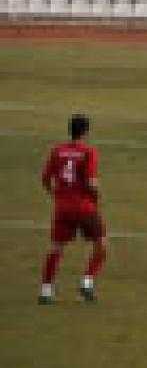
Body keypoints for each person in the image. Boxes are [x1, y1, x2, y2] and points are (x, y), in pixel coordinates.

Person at [39, 114, 106, 304]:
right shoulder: (88, 152)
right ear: (85, 131)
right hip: (85, 207)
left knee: (56, 248)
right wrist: (97, 196)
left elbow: (45, 178)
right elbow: (92, 183)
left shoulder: (57, 151)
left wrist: (55, 195)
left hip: (62, 208)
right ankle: (87, 282)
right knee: (101, 244)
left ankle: (46, 290)